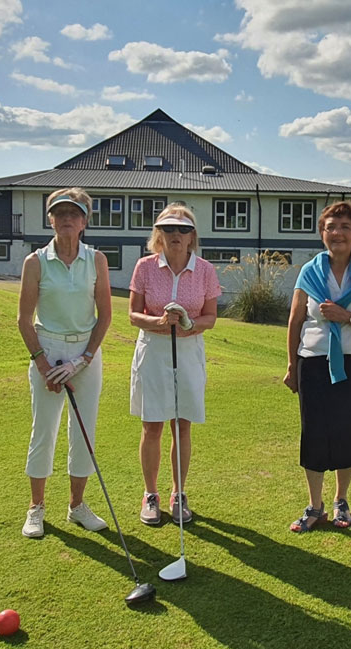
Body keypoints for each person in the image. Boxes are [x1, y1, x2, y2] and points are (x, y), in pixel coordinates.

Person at [283, 201, 351, 532]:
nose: (337, 233)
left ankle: (341, 499)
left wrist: (349, 317)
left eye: (344, 226)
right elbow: (296, 320)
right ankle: (315, 506)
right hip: (313, 364)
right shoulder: (309, 272)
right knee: (314, 434)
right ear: (322, 234)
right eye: (331, 227)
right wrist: (291, 365)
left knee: (348, 433)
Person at [17, 187, 112, 538]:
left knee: (84, 432)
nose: (67, 219)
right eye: (60, 213)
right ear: (50, 219)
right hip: (48, 348)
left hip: (86, 353)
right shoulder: (35, 262)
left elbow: (104, 316)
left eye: (74, 213)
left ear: (85, 221)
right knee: (44, 430)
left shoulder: (96, 260)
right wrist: (44, 366)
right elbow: (24, 320)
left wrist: (84, 359)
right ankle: (36, 507)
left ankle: (76, 506)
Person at [129, 203, 222, 525]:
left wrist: (187, 323)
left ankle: (178, 492)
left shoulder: (206, 270)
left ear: (192, 235)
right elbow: (133, 314)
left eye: (182, 229)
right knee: (152, 424)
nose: (175, 235)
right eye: (168, 229)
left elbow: (210, 317)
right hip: (153, 350)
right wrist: (158, 321)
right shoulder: (145, 267)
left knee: (182, 425)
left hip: (189, 351)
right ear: (159, 234)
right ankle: (151, 494)